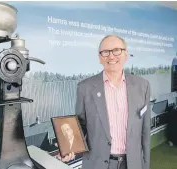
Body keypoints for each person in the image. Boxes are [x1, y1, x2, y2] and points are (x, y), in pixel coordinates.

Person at [58, 34, 151, 169]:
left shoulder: (142, 86)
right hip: (98, 164)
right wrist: (68, 147)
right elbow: (80, 126)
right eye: (105, 52)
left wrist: (146, 165)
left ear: (126, 54)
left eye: (116, 50)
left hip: (132, 163)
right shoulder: (85, 88)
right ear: (100, 58)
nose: (111, 56)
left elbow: (145, 131)